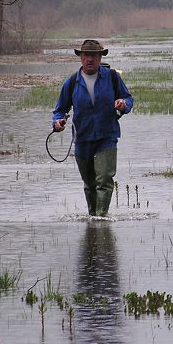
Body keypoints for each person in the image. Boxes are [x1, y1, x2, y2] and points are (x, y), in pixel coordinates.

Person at [52, 39, 134, 217]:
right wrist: (58, 122)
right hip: (82, 139)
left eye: (93, 55)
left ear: (100, 57)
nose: (89, 59)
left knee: (104, 180)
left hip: (107, 137)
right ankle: (93, 220)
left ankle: (101, 219)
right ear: (81, 58)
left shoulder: (112, 77)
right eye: (86, 55)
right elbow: (60, 110)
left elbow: (128, 99)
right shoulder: (72, 82)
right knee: (89, 185)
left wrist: (122, 104)